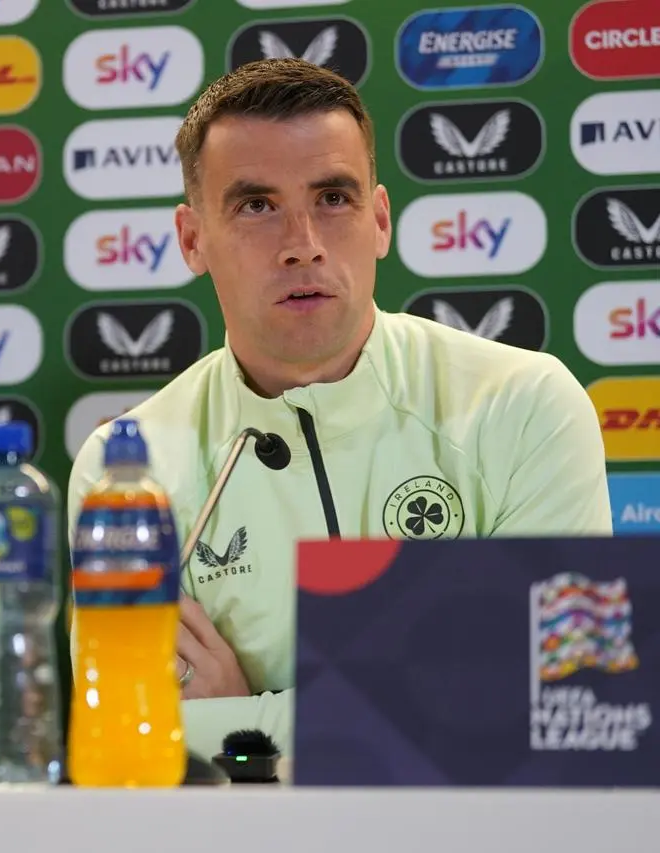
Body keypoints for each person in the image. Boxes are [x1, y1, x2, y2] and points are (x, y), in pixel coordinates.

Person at [66, 59, 613, 761]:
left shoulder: (523, 405)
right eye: (257, 205)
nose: (303, 244)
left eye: (332, 197)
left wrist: (242, 722)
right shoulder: (128, 470)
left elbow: (561, 705)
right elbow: (123, 736)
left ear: (379, 220)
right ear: (192, 239)